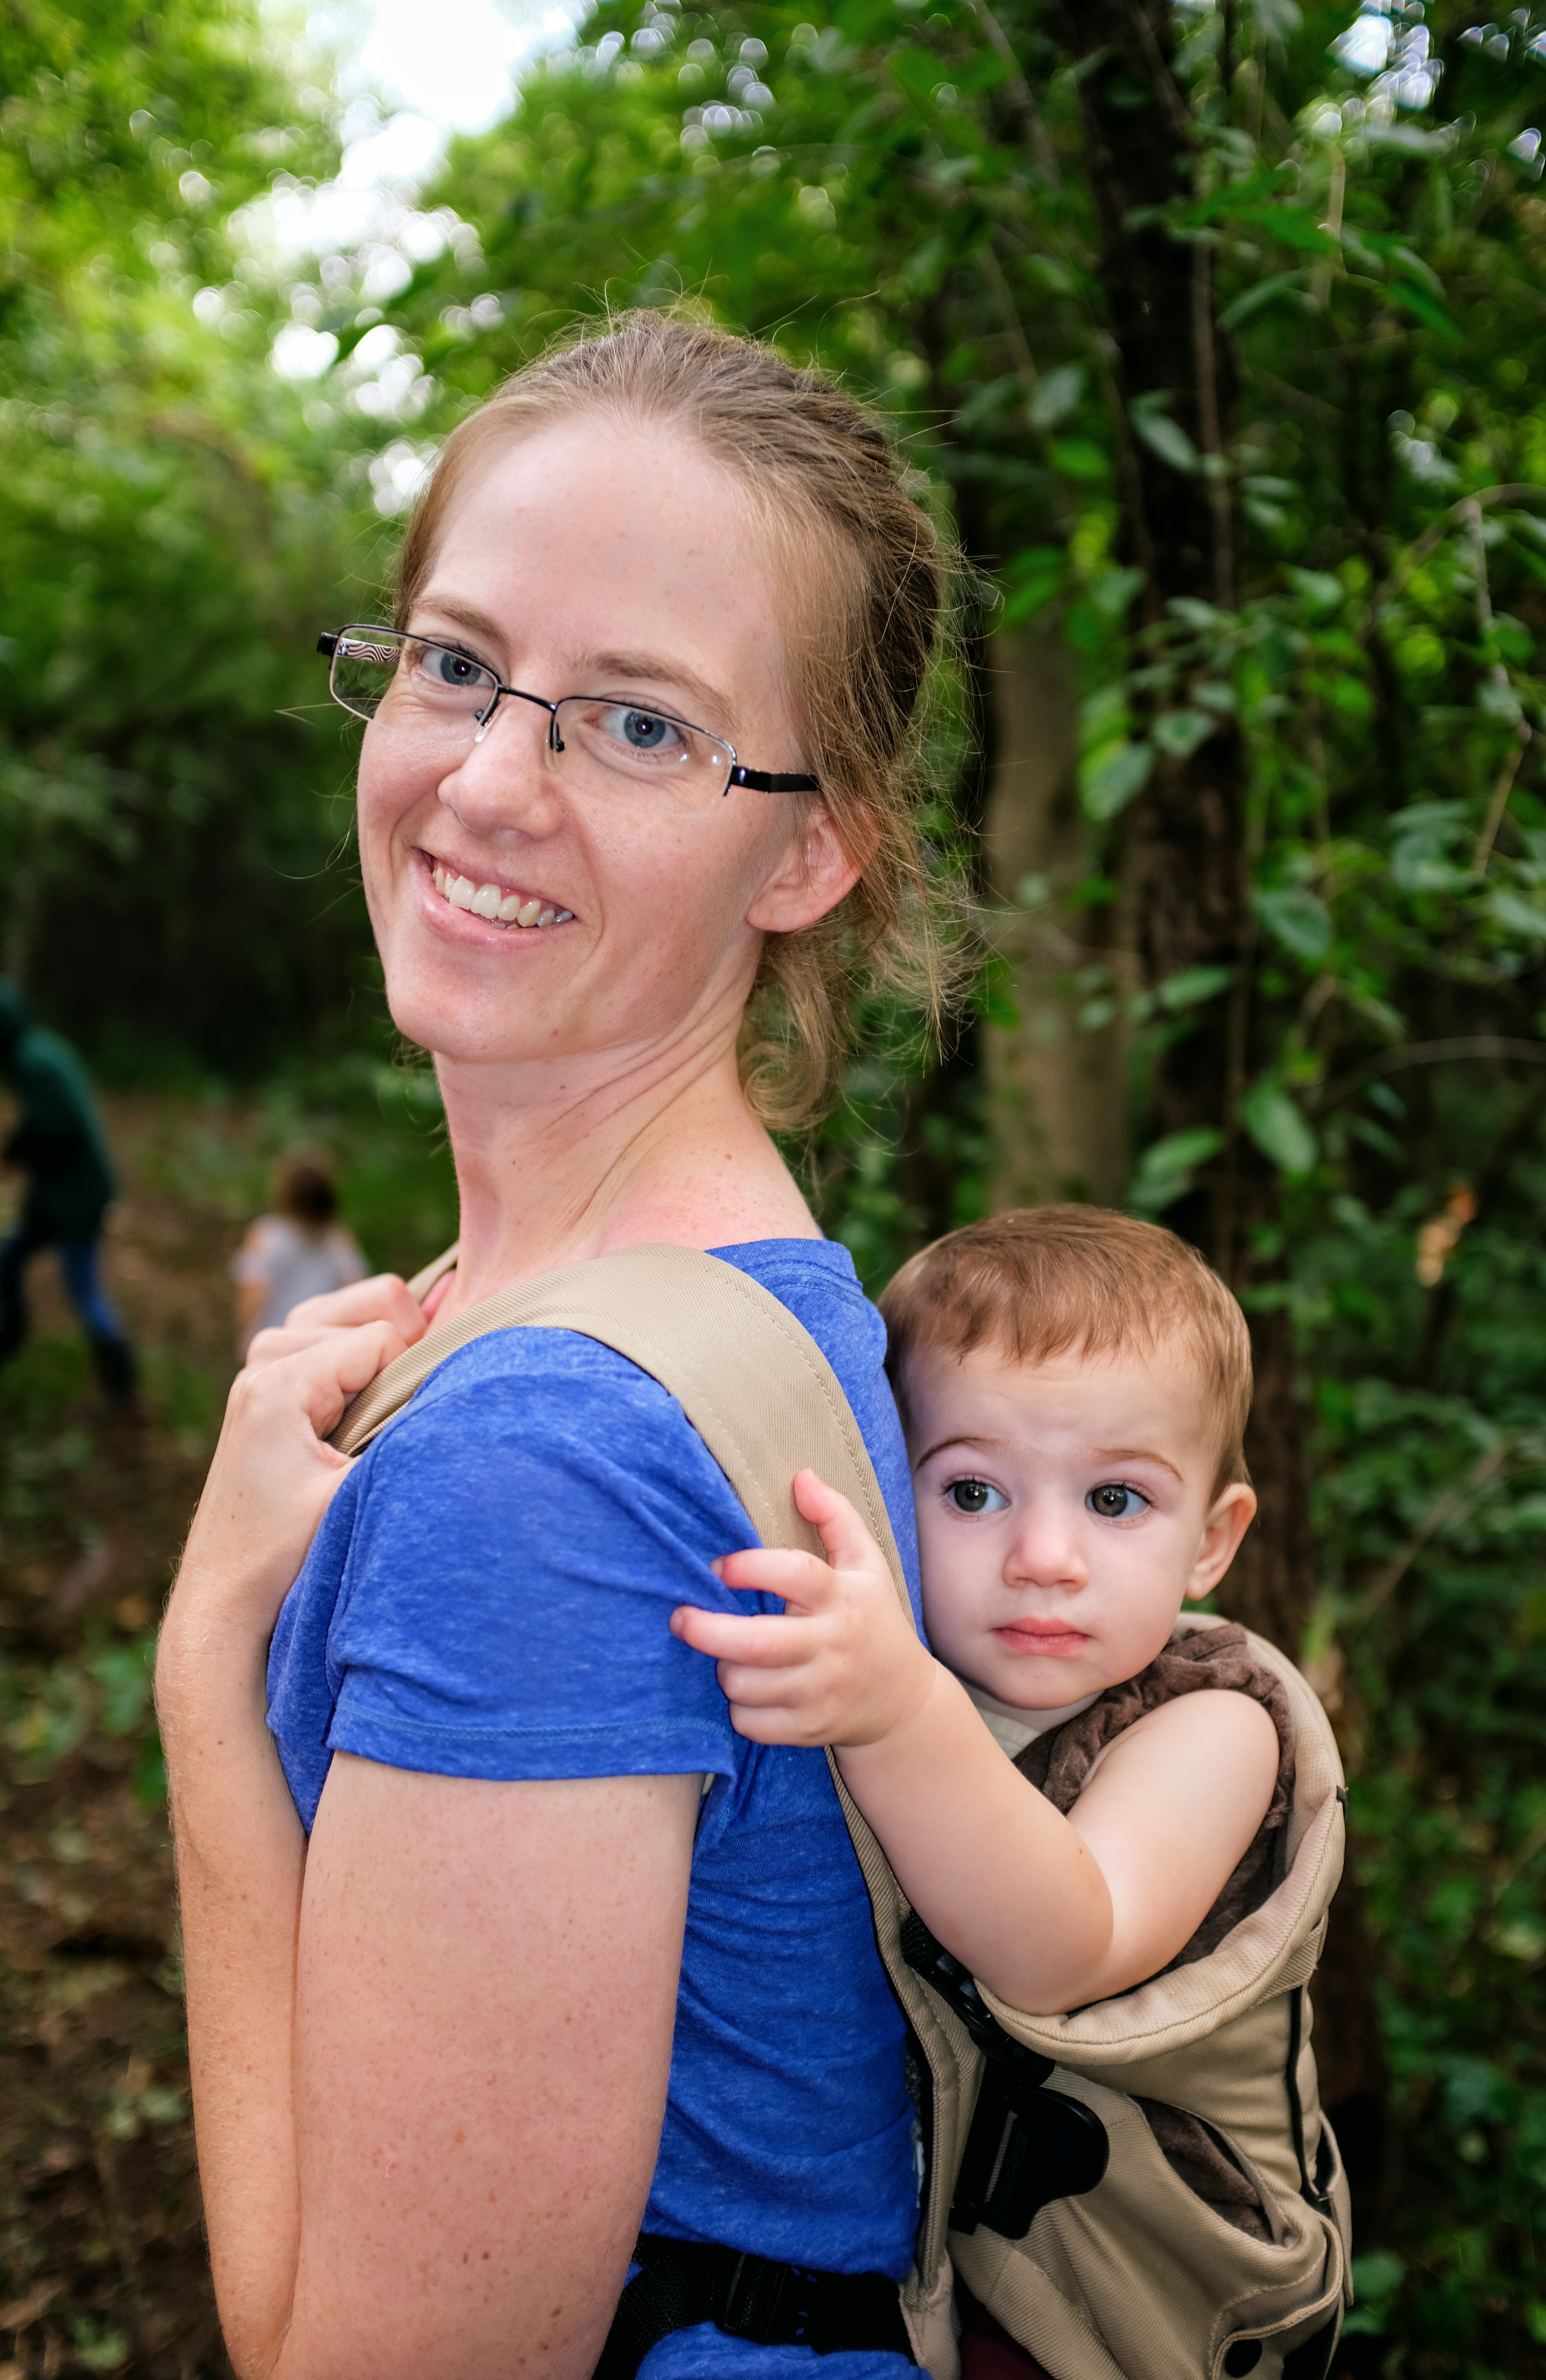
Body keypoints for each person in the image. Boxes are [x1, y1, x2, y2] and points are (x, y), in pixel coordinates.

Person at [154, 313, 956, 2380]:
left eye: (640, 727)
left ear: (812, 848)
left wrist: (200, 1685)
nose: (489, 783)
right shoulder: (781, 1301)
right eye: (453, 663)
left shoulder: (542, 1462)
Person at [674, 1207, 1293, 2374]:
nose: (1043, 1557)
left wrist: (898, 1712)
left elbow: (1066, 1943)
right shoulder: (905, 1661)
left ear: (1213, 1541)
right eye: (972, 1494)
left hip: (1129, 2308)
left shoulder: (1213, 1729)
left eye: (1116, 1501)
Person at [0, 981, 138, 1409]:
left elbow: (59, 1135)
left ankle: (121, 1385)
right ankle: (13, 1333)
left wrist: (19, 1151)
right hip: (62, 1194)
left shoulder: (33, 1063)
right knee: (9, 1255)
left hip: (76, 1199)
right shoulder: (42, 1050)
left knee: (86, 1291)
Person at [233, 1152, 367, 1358]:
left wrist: (245, 1337)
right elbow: (355, 1289)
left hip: (273, 1343)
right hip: (321, 1345)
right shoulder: (339, 1240)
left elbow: (253, 1293)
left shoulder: (267, 1235)